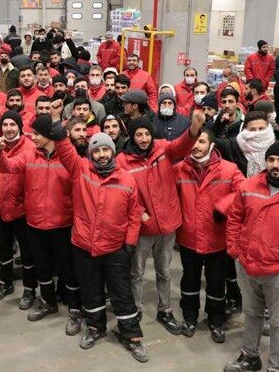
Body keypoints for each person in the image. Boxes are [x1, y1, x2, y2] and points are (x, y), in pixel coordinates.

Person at [48, 101, 147, 360]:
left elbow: (134, 215)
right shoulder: (80, 170)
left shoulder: (126, 179)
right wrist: (56, 119)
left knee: (122, 294)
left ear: (112, 151)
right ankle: (95, 328)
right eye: (97, 150)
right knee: (91, 291)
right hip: (84, 246)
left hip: (115, 248)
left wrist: (129, 244)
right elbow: (63, 147)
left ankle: (131, 334)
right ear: (91, 153)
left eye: (106, 149)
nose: (102, 154)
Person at [116, 110, 205, 335]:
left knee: (164, 271)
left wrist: (194, 129)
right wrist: (140, 213)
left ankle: (164, 309)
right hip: (142, 229)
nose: (144, 139)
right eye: (139, 135)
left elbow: (182, 146)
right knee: (136, 272)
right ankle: (136, 309)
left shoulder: (163, 149)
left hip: (167, 225)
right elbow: (122, 193)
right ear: (132, 136)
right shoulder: (122, 161)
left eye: (147, 134)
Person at [0, 114, 81, 334]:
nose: (32, 137)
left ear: (49, 136)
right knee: (43, 268)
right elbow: (8, 167)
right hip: (35, 224)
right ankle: (48, 302)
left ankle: (75, 310)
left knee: (68, 270)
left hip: (62, 224)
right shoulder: (29, 154)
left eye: (37, 133)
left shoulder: (68, 158)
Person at [224, 141, 279, 372]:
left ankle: (275, 367)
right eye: (271, 160)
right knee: (251, 313)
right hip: (247, 265)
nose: (275, 165)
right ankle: (250, 357)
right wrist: (235, 251)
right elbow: (235, 218)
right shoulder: (249, 186)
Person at [174, 130, 244, 343]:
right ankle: (189, 316)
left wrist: (224, 206)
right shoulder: (179, 169)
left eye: (202, 141)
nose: (196, 145)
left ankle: (216, 319)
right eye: (194, 142)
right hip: (189, 238)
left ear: (212, 145)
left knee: (216, 282)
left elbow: (243, 191)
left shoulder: (229, 169)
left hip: (217, 239)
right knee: (189, 280)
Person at [0, 110, 38, 308]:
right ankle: (6, 283)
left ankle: (29, 289)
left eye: (13, 124)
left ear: (20, 127)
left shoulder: (30, 148)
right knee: (3, 250)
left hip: (23, 210)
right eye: (5, 125)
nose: (8, 128)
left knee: (27, 252)